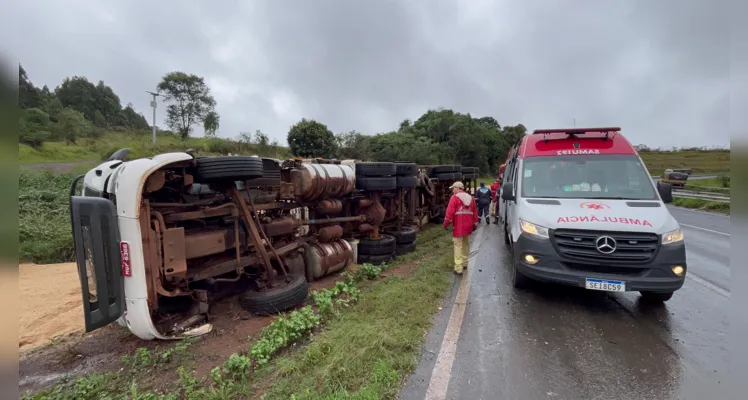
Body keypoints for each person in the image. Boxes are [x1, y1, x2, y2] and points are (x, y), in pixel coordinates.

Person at [443, 181, 479, 275]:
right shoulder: (471, 198)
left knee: (458, 246)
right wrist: (475, 224)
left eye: (453, 188)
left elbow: (450, 212)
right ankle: (465, 263)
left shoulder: (454, 198)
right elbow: (475, 212)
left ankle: (458, 268)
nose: (452, 190)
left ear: (457, 188)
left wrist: (446, 223)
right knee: (466, 244)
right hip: (468, 226)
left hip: (459, 226)